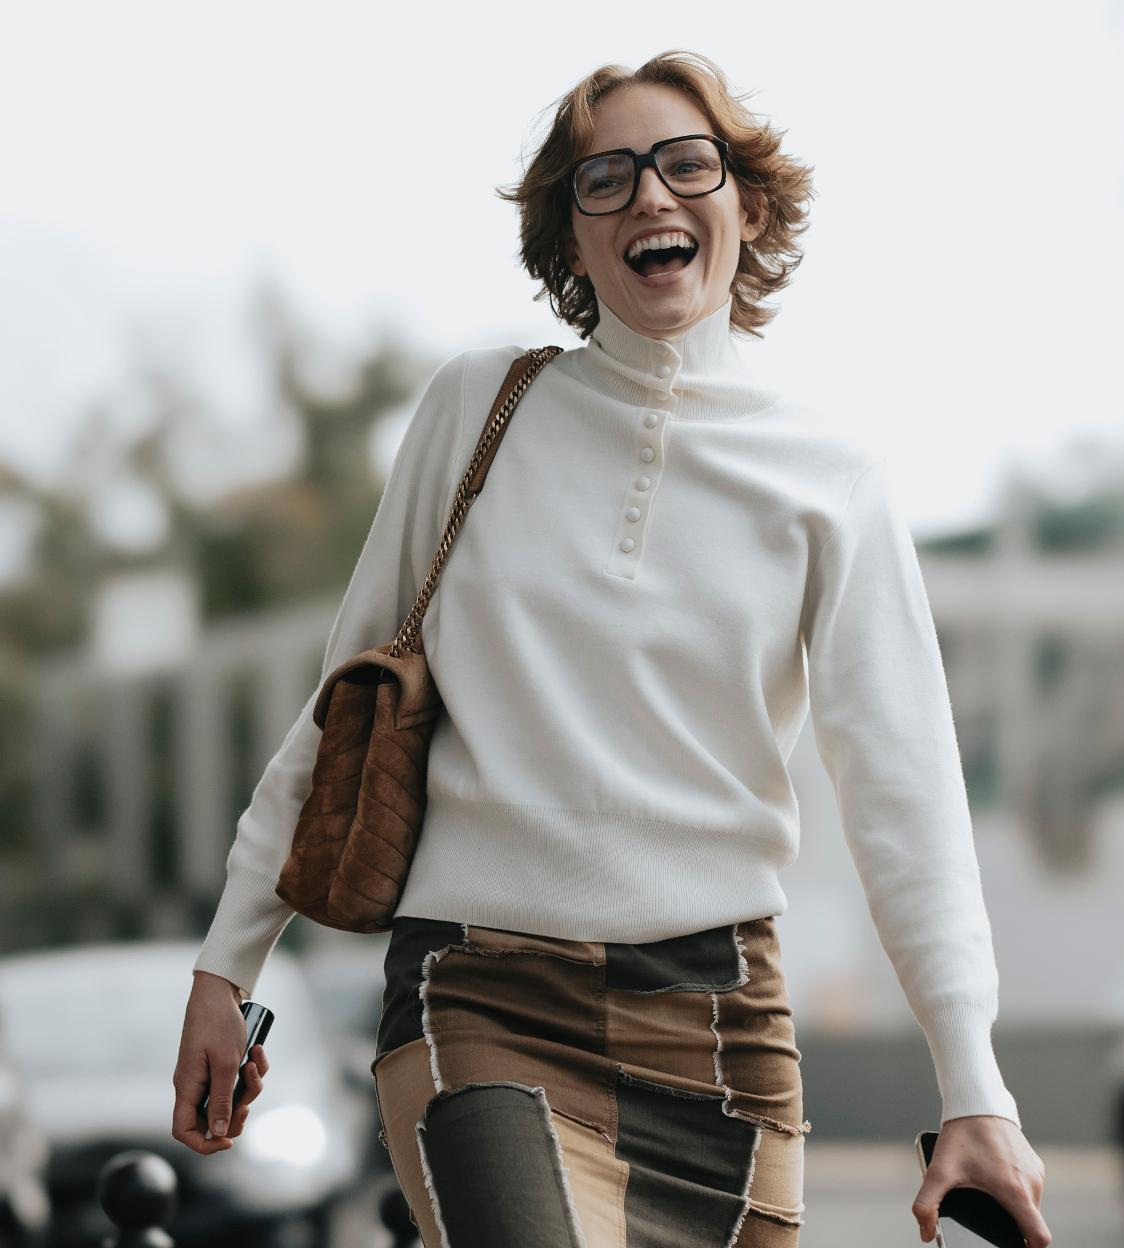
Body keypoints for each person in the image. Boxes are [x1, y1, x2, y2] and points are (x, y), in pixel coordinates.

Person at [172, 49, 1051, 1247]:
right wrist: (229, 965)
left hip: (724, 1030)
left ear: (745, 202)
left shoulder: (829, 478)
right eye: (606, 180)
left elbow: (906, 793)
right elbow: (345, 707)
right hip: (482, 996)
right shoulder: (478, 411)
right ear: (569, 242)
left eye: (687, 165)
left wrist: (974, 1083)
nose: (649, 196)